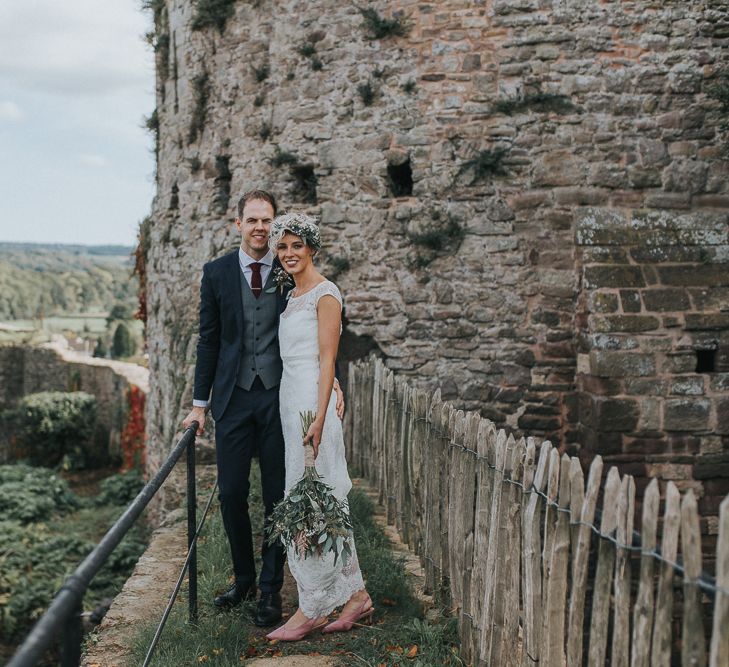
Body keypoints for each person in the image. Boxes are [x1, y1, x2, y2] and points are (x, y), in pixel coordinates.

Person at [181, 191, 344, 627]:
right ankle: (244, 579)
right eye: (251, 219)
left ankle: (270, 591)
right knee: (232, 491)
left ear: (274, 228)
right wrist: (200, 406)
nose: (259, 228)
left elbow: (319, 332)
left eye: (266, 221)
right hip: (232, 398)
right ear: (238, 224)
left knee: (278, 494)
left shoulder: (290, 270)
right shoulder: (215, 273)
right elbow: (209, 339)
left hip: (278, 398)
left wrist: (336, 383)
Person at [265, 212, 372, 642]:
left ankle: (311, 606)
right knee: (316, 498)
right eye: (283, 247)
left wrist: (322, 413)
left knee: (315, 498)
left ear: (311, 247)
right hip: (290, 400)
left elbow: (327, 358)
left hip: (313, 406)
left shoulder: (326, 294)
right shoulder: (291, 296)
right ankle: (356, 595)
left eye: (296, 245)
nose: (289, 254)